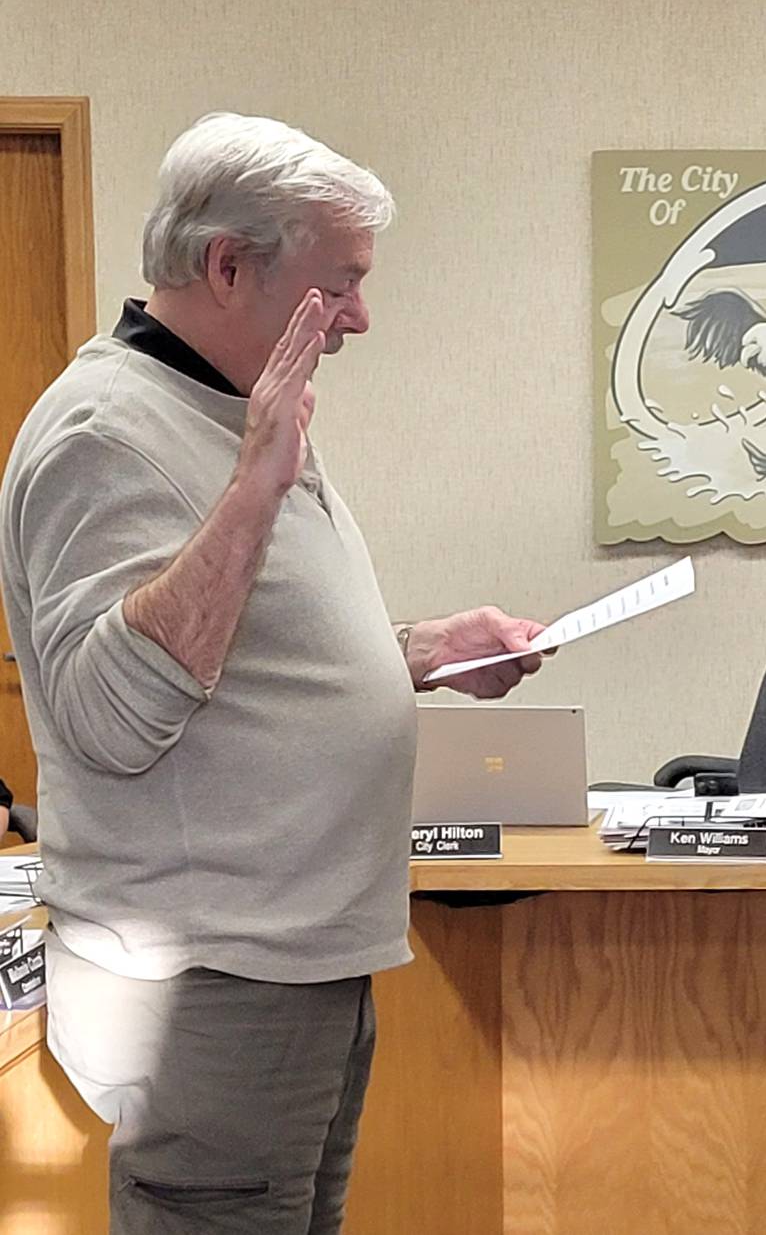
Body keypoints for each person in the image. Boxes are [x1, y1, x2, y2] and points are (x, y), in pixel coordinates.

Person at [0, 112, 547, 1233]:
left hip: (291, 964)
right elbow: (108, 713)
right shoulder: (104, 431)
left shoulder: (227, 405)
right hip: (211, 986)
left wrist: (428, 653)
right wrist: (255, 484)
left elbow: (250, 653)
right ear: (229, 264)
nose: (359, 317)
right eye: (337, 283)